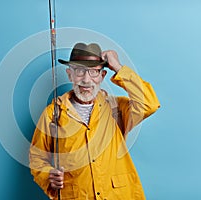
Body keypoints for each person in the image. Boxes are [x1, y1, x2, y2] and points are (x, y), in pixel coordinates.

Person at [29, 42, 160, 199]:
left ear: (102, 76)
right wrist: (48, 175)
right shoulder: (53, 114)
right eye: (79, 71)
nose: (86, 79)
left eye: (94, 72)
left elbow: (149, 103)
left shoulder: (116, 108)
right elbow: (37, 158)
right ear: (70, 74)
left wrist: (118, 67)